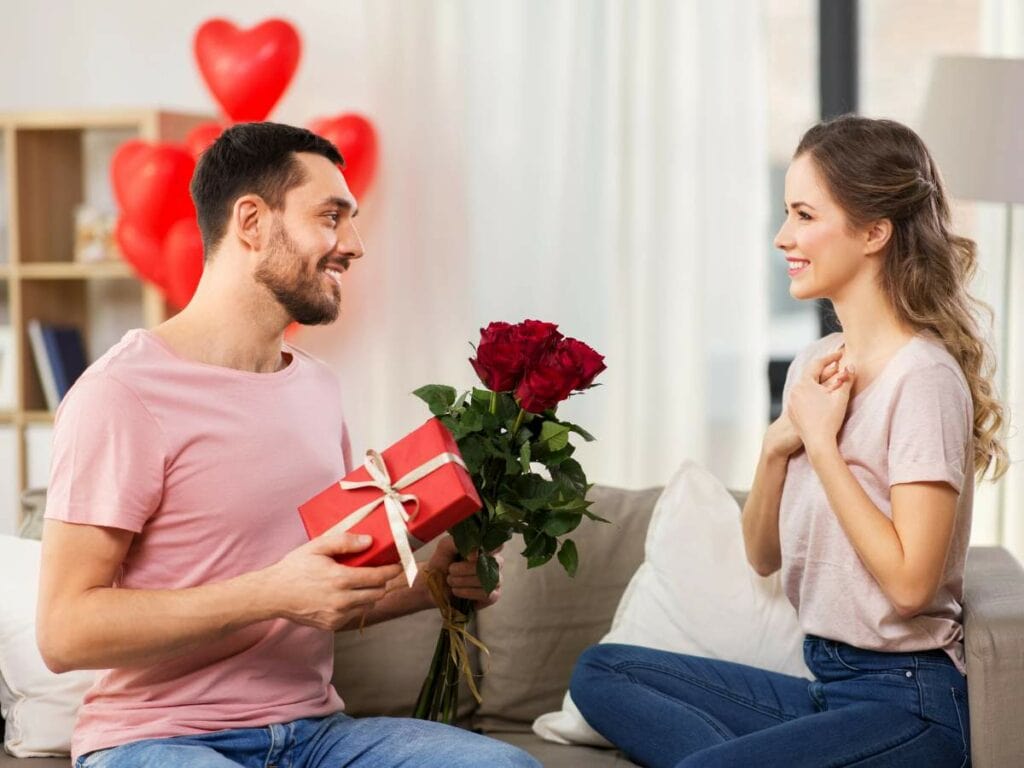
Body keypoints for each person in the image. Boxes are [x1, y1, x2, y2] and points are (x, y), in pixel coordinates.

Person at [36, 122, 539, 768]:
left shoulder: (318, 389)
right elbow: (63, 630)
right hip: (158, 739)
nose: (352, 246)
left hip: (314, 734)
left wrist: (430, 583)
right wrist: (270, 590)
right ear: (251, 221)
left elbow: (316, 593)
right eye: (332, 217)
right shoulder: (121, 395)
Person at [569, 115, 1007, 767]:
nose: (783, 238)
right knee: (600, 672)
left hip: (910, 705)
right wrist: (779, 446)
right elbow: (762, 556)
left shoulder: (923, 377)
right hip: (825, 689)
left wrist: (823, 446)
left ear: (874, 232)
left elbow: (912, 587)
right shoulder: (815, 366)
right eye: (786, 214)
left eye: (804, 215)